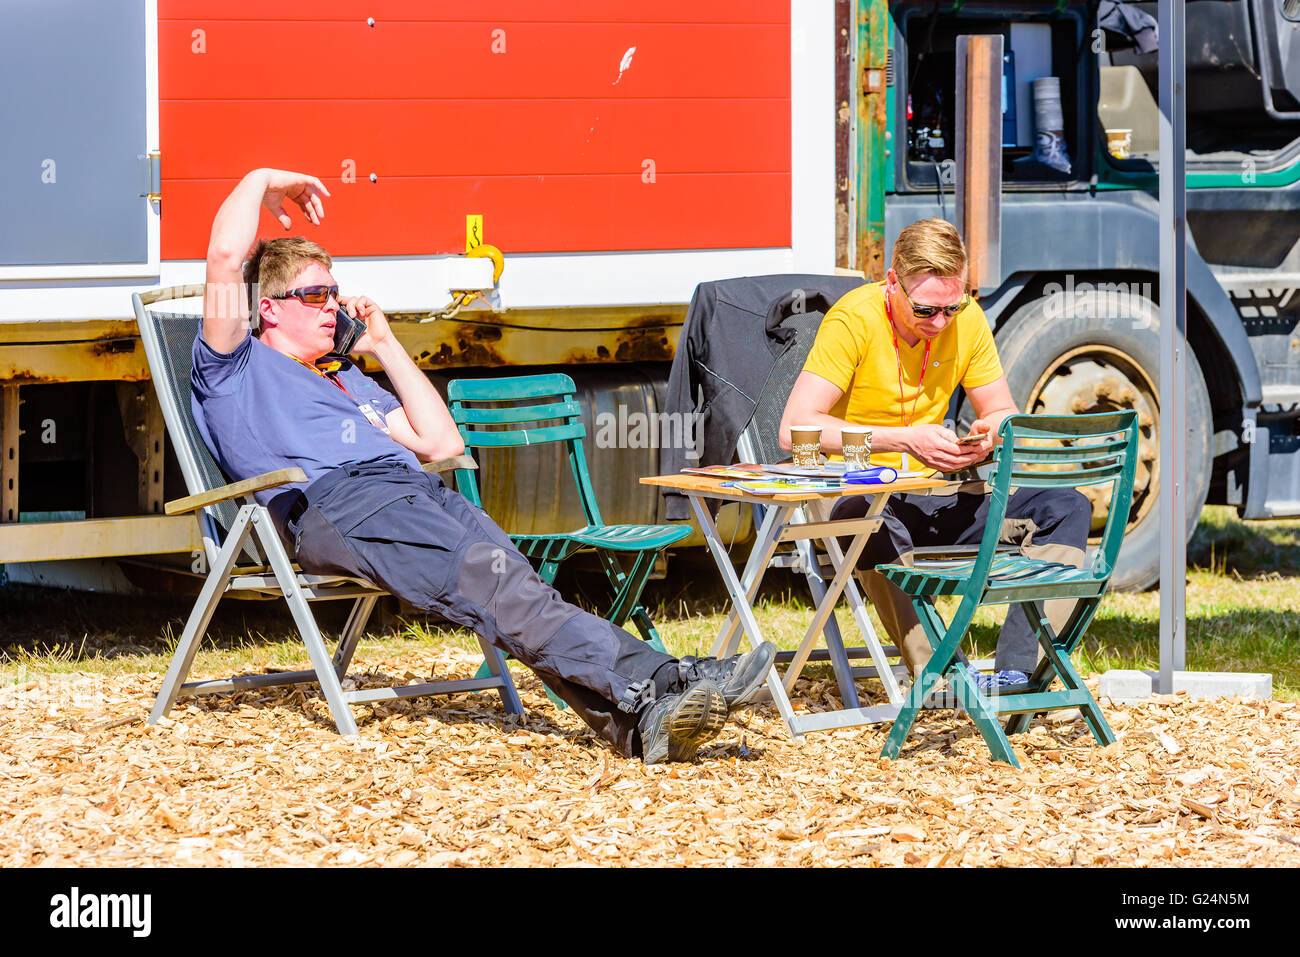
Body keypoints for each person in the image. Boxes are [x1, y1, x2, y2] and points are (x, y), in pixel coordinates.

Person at [193, 167, 776, 763]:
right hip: (342, 504)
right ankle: (667, 680)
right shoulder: (231, 366)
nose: (331, 308)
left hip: (414, 493)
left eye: (335, 295)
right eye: (315, 296)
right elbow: (222, 255)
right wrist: (262, 177)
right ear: (266, 308)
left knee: (513, 581)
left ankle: (638, 724)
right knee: (493, 582)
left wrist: (385, 346)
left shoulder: (347, 378)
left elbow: (442, 447)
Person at [779, 218, 1090, 689]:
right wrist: (903, 439)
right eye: (926, 310)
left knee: (1066, 506)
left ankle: (1020, 674)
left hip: (936, 487)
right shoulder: (853, 319)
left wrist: (993, 432)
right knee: (870, 519)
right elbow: (795, 430)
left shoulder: (965, 320)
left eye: (952, 306)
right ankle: (944, 676)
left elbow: (1004, 411)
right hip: (859, 491)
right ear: (892, 283)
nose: (941, 322)